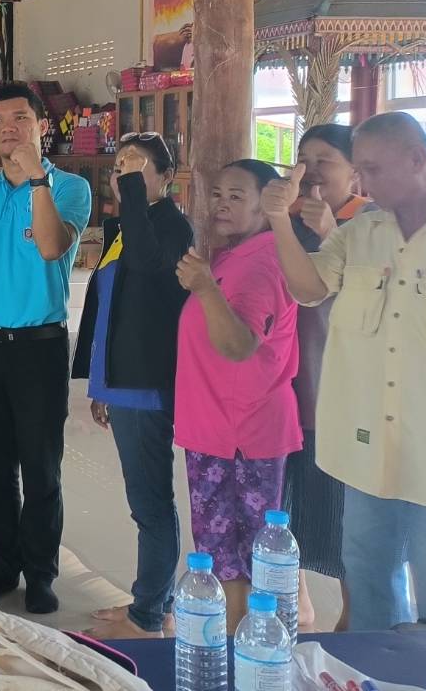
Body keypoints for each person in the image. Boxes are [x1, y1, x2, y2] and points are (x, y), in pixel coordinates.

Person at [263, 112, 426, 631]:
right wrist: (277, 220)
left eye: (373, 169)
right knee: (368, 583)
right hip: (368, 453)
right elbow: (308, 288)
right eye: (359, 169)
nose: (362, 182)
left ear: (417, 159)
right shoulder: (361, 233)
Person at [0, 82, 92, 615]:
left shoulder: (70, 188)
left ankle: (41, 573)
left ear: (40, 126)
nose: (8, 128)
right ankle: (2, 566)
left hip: (40, 349)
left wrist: (36, 180)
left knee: (41, 468)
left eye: (20, 118)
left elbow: (52, 247)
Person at [72, 133, 193, 638]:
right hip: (120, 381)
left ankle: (148, 615)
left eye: (138, 164)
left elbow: (148, 267)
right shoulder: (125, 227)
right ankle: (153, 601)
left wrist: (135, 200)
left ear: (166, 177)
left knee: (151, 503)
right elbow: (110, 310)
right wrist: (99, 384)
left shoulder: (170, 225)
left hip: (146, 384)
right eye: (119, 162)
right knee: (145, 500)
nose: (124, 171)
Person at [174, 159, 300, 631]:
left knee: (241, 559)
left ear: (267, 207)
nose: (221, 204)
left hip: (242, 434)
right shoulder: (235, 254)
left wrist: (206, 289)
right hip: (216, 427)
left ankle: (241, 648)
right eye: (217, 194)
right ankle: (236, 644)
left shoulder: (262, 263)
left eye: (236, 196)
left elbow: (239, 345)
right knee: (221, 553)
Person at [282, 123, 368, 631]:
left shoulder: (370, 223)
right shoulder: (283, 222)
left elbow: (371, 296)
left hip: (341, 395)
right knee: (284, 508)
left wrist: (330, 233)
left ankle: (355, 615)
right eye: (304, 159)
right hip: (285, 392)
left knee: (345, 517)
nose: (311, 171)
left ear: (355, 173)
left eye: (325, 160)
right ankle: (297, 604)